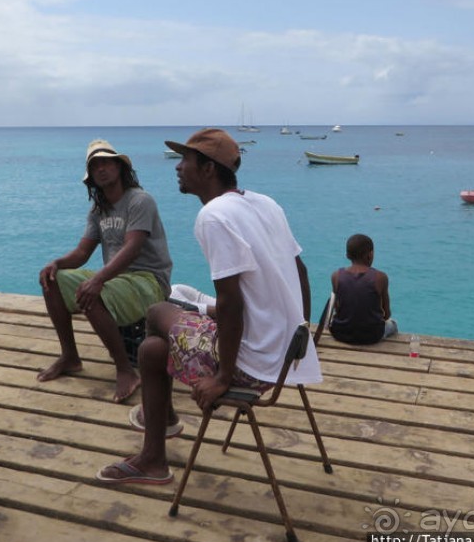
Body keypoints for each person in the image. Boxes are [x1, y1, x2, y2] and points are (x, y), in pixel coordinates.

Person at [96, 128, 321, 484]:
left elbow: (230, 304)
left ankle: (160, 435)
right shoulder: (265, 203)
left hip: (251, 363)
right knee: (153, 349)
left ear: (208, 169)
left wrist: (223, 377)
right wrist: (299, 334)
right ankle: (155, 448)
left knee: (156, 313)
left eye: (185, 160)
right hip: (284, 354)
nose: (178, 167)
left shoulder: (214, 216)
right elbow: (301, 272)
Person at [37, 139, 173, 403]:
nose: (101, 169)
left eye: (107, 162)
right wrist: (56, 263)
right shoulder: (98, 210)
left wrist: (98, 279)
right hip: (118, 279)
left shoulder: (140, 200)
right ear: (91, 177)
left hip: (149, 281)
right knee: (51, 280)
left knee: (93, 292)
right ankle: (70, 357)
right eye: (95, 165)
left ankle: (125, 370)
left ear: (120, 167)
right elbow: (82, 253)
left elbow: (133, 247)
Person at [330, 234, 398, 344]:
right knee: (393, 324)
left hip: (341, 333)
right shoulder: (380, 277)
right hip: (372, 336)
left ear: (347, 255)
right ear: (370, 255)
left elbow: (338, 310)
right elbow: (387, 314)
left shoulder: (336, 276)